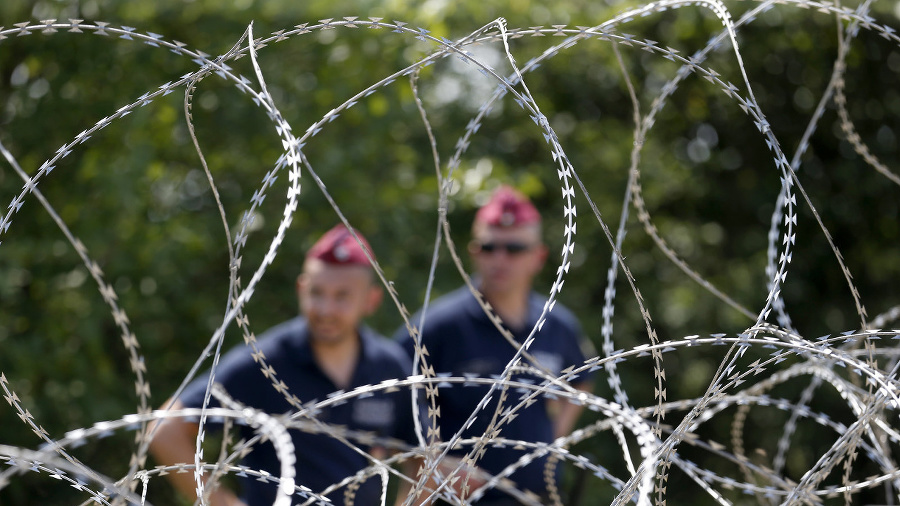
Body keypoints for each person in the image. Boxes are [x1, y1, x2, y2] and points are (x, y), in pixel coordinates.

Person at [149, 224, 418, 506]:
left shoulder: (389, 367)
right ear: (301, 288)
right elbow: (165, 429)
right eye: (316, 293)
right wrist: (222, 503)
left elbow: (425, 455)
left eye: (342, 296)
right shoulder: (266, 362)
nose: (325, 309)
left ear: (371, 300)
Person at [395, 185, 594, 505]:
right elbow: (393, 391)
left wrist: (552, 441)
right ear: (474, 252)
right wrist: (429, 459)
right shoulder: (438, 326)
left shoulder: (556, 325)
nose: (500, 259)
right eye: (489, 247)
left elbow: (582, 379)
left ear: (538, 257)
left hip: (535, 497)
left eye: (514, 249)